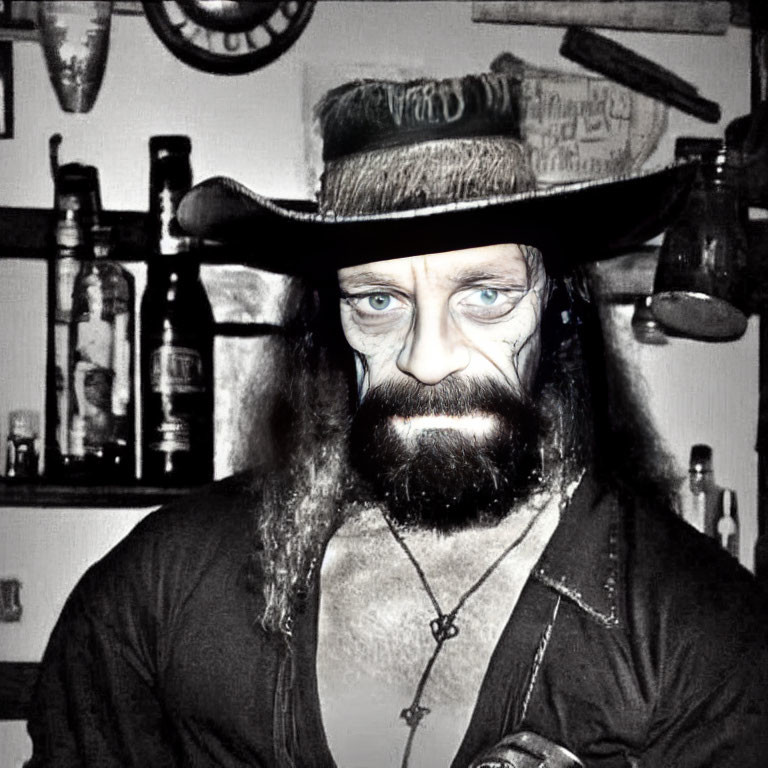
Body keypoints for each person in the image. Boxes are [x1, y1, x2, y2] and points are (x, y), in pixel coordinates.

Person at [27, 74, 768, 768]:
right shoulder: (164, 587)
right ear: (331, 321)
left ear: (557, 308)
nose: (427, 357)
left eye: (486, 295)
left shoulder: (699, 632)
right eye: (378, 301)